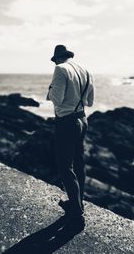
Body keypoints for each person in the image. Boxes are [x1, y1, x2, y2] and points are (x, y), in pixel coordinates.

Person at [46, 45, 94, 231]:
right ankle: (77, 203)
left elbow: (56, 99)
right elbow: (90, 102)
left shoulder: (60, 69)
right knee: (78, 163)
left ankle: (77, 214)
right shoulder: (87, 71)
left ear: (58, 58)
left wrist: (50, 89)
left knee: (65, 166)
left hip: (66, 123)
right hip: (82, 119)